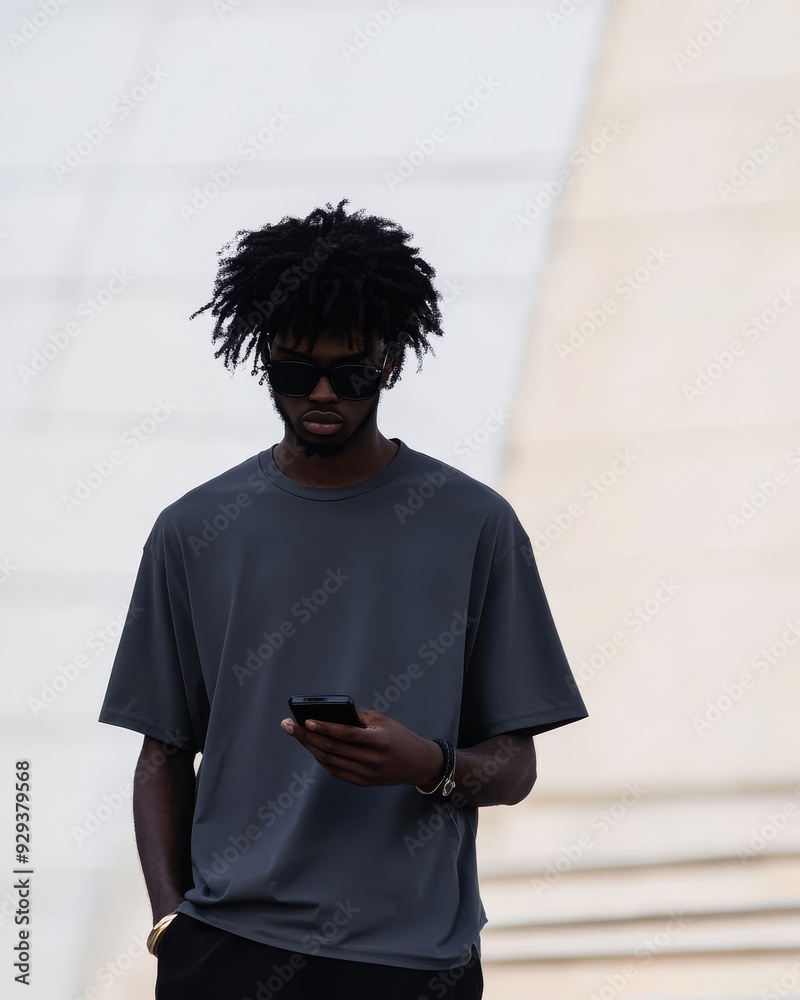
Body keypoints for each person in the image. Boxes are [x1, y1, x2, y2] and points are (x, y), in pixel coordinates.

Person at [97, 198, 589, 1000]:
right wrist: (169, 927)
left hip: (415, 963)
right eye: (296, 370)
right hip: (226, 951)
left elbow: (517, 765)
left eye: (351, 372)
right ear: (261, 358)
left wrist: (428, 765)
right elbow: (161, 753)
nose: (322, 393)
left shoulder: (476, 525)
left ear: (390, 361)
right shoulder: (193, 530)